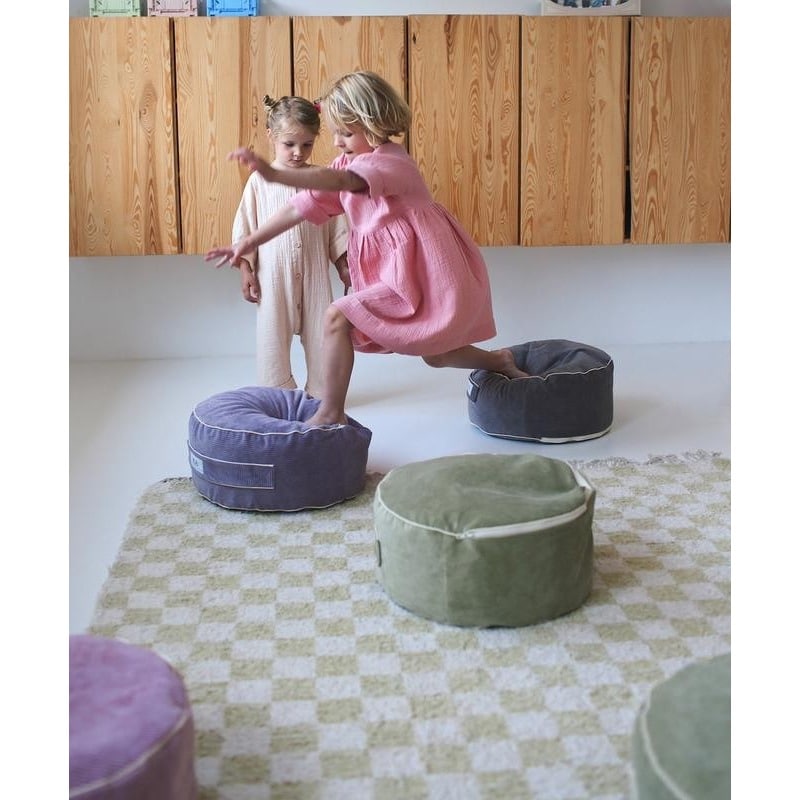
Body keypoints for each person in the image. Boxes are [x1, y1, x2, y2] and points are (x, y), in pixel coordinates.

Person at [206, 71, 527, 426]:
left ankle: (330, 412)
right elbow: (300, 207)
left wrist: (277, 174)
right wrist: (250, 241)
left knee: (343, 318)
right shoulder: (349, 162)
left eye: (345, 133)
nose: (337, 143)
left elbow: (343, 181)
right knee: (435, 354)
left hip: (422, 269)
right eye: (334, 133)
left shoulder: (392, 163)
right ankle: (499, 361)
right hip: (390, 269)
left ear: (373, 124)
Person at [228, 94, 350, 398]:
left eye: (307, 145)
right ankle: (275, 393)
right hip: (273, 278)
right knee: (272, 337)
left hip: (315, 277)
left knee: (323, 335)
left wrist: (344, 264)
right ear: (271, 136)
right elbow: (245, 228)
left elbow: (338, 228)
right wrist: (246, 269)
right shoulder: (259, 181)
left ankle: (323, 394)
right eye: (289, 144)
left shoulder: (321, 179)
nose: (298, 153)